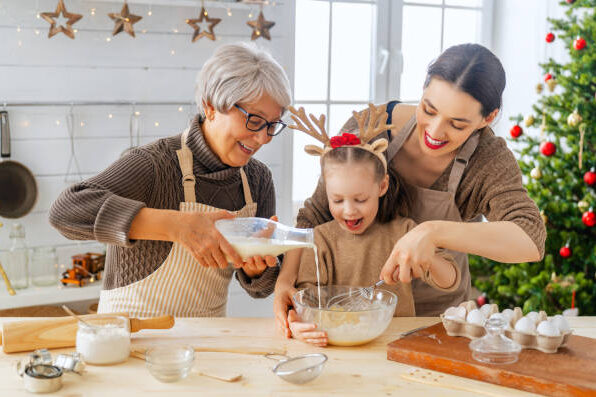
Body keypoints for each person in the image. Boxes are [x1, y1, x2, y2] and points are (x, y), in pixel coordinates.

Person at [275, 43, 546, 334]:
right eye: (428, 109)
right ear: (423, 89)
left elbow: (530, 239)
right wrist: (286, 281)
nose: (434, 131)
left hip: (438, 321)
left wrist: (431, 233)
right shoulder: (372, 127)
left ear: (487, 118)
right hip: (354, 317)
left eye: (457, 124)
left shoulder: (487, 159)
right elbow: (314, 215)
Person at [49, 43, 291, 317]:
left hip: (208, 340)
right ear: (211, 106)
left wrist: (256, 269)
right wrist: (176, 226)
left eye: (273, 124)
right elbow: (65, 212)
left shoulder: (257, 179)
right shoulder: (154, 165)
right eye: (255, 120)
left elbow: (260, 289)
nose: (263, 138)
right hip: (131, 337)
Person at [286, 104, 461, 346]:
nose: (348, 210)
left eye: (360, 199)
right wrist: (297, 324)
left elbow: (450, 280)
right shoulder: (321, 241)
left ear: (382, 186)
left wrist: (427, 257)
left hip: (396, 342)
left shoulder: (404, 233)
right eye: (337, 200)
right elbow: (303, 300)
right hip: (335, 345)